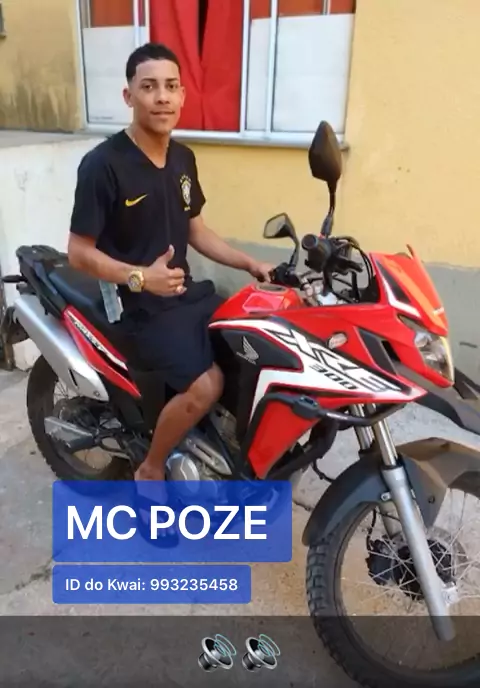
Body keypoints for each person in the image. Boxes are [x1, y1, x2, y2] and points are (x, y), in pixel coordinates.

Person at [67, 42, 274, 484]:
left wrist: (249, 262)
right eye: (149, 87)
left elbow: (195, 229)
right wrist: (141, 278)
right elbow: (78, 252)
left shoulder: (183, 158)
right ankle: (151, 468)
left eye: (171, 86)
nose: (161, 97)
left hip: (183, 294)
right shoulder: (102, 165)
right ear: (129, 96)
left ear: (182, 95)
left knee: (255, 347)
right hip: (135, 306)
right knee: (207, 385)